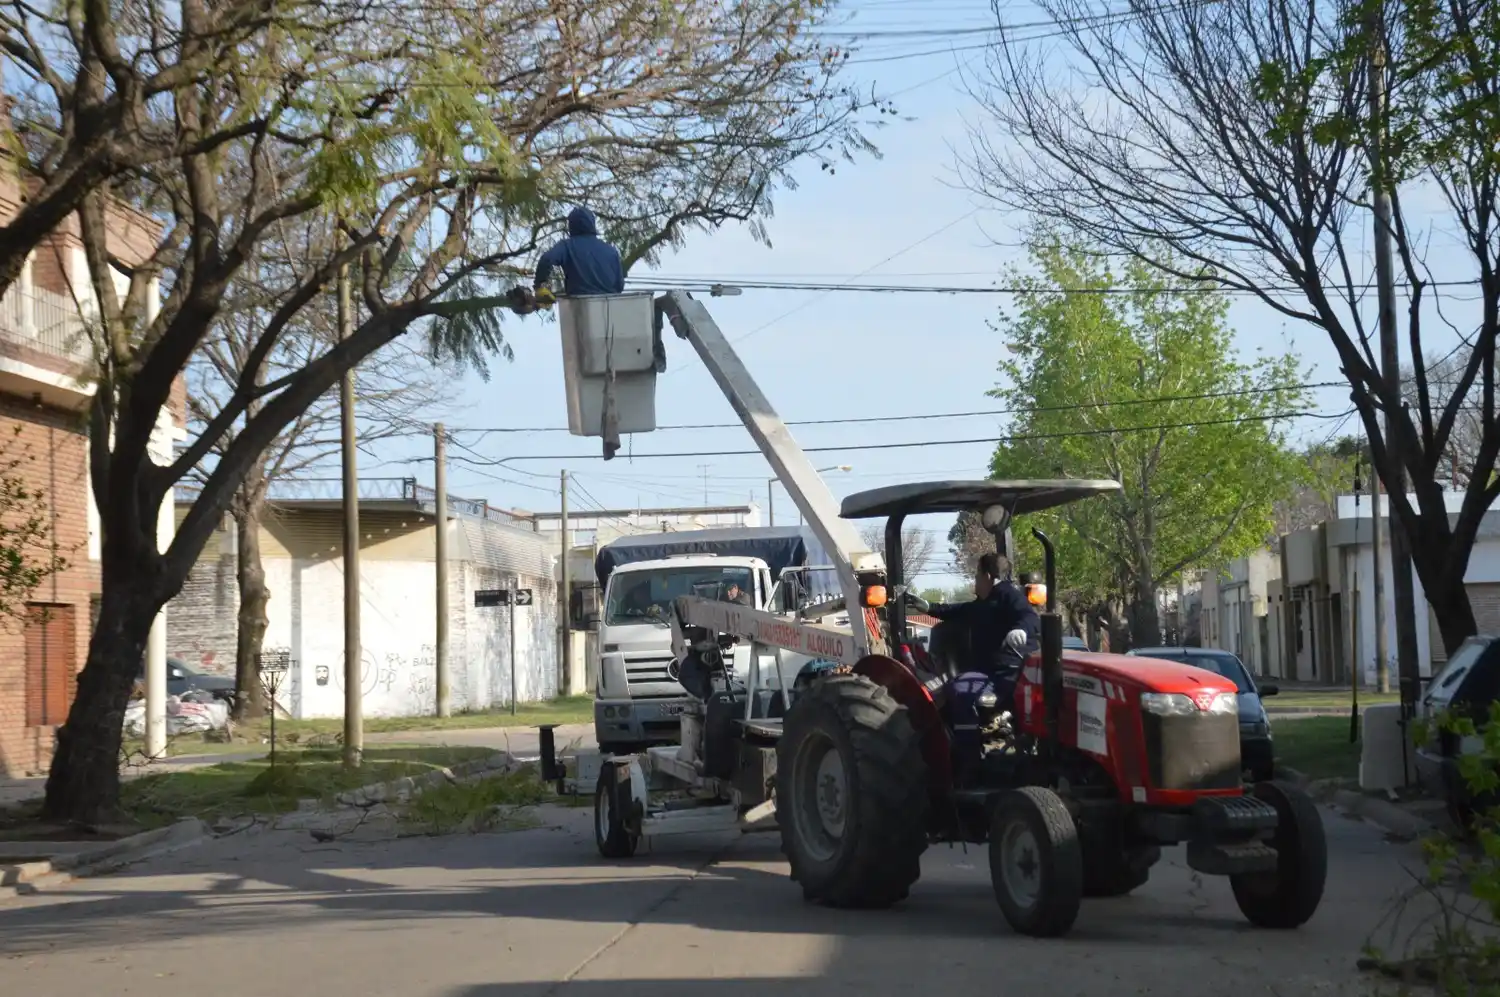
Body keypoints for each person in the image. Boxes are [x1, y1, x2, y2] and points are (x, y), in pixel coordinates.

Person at [906, 552, 1039, 703]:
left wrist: (1020, 629)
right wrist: (929, 607)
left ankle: (972, 726)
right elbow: (957, 610)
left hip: (1009, 674)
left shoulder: (1009, 595)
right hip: (993, 673)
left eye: (977, 574)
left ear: (987, 576)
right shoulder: (985, 603)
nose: (975, 579)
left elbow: (1029, 616)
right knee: (956, 688)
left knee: (961, 692)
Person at [533, 206, 625, 298]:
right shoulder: (611, 251)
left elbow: (547, 259)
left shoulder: (567, 246)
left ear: (571, 225)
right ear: (592, 224)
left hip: (580, 306)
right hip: (611, 305)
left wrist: (539, 285)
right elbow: (620, 285)